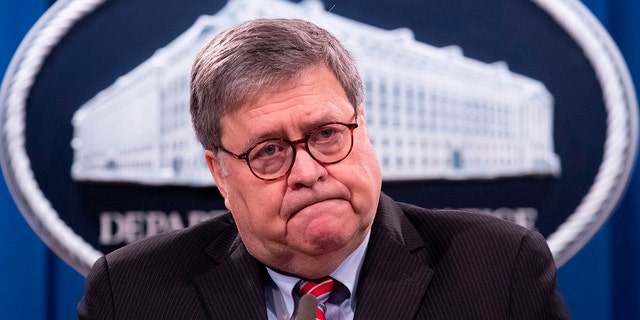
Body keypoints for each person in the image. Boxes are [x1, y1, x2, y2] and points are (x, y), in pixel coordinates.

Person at [78, 18, 570, 319]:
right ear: (220, 173)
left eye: (327, 135)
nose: (309, 171)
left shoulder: (498, 267)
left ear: (363, 127)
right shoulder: (131, 294)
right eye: (269, 150)